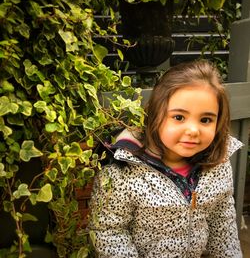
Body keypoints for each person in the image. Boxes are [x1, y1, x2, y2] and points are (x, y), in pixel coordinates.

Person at [88, 60, 243, 258]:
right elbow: (108, 232)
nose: (193, 130)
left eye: (205, 120)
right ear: (155, 114)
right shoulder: (123, 168)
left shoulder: (218, 163)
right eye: (179, 117)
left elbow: (223, 224)